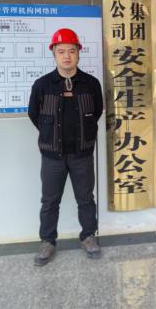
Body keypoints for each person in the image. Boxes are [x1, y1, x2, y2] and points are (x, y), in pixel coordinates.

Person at [28, 28, 103, 265]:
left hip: (82, 154)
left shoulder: (91, 84)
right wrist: (51, 136)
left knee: (86, 198)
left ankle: (88, 236)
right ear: (54, 54)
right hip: (53, 156)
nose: (67, 56)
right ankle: (47, 241)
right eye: (61, 51)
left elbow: (97, 111)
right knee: (50, 201)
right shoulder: (43, 85)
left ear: (79, 53)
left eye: (71, 51)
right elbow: (34, 114)